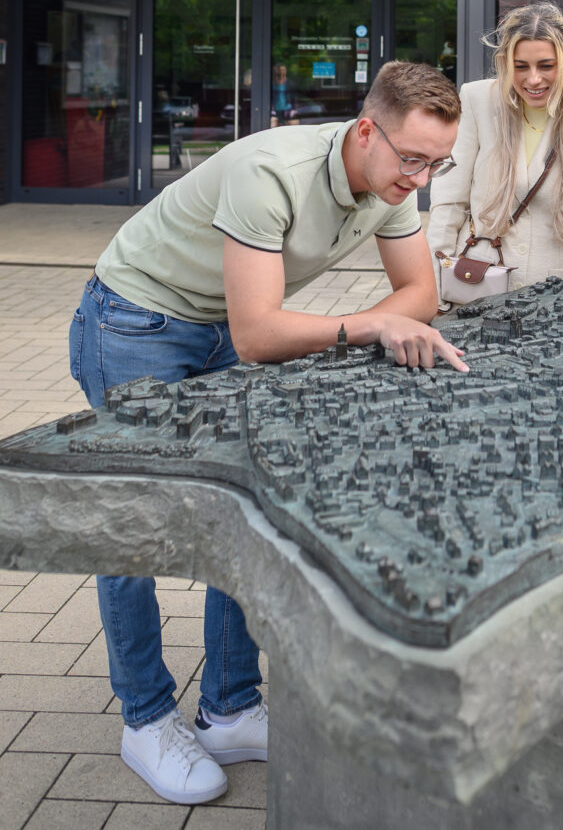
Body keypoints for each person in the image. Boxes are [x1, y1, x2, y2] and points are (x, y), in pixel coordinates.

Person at [69, 61, 466, 807]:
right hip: (134, 318)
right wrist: (369, 323)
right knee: (131, 526)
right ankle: (146, 719)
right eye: (412, 158)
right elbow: (259, 334)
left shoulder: (391, 186)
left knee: (247, 512)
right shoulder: (270, 170)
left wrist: (387, 317)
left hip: (219, 322)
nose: (420, 178)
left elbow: (423, 295)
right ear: (366, 131)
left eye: (436, 164)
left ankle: (228, 706)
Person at [427, 2, 563, 299]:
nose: (533, 79)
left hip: (559, 294)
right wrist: (430, 285)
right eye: (521, 66)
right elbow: (448, 202)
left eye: (546, 65)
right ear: (506, 62)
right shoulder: (477, 100)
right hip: (479, 285)